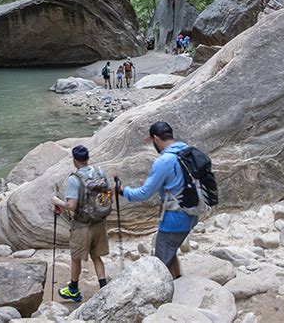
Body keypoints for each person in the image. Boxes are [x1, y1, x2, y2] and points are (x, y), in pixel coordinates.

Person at [115, 121, 197, 279]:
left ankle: (163, 296)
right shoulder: (186, 150)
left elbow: (145, 193)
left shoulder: (164, 161)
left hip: (174, 219)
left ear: (156, 139)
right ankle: (178, 280)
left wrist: (122, 191)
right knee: (170, 249)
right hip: (192, 212)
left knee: (160, 262)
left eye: (153, 141)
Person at [52, 145, 110, 302]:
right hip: (99, 221)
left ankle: (73, 290)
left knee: (76, 258)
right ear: (87, 158)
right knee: (96, 256)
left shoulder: (74, 179)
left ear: (75, 160)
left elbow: (71, 206)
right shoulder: (99, 172)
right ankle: (104, 289)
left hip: (82, 225)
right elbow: (107, 193)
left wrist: (57, 201)